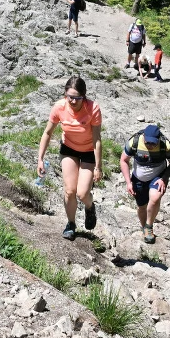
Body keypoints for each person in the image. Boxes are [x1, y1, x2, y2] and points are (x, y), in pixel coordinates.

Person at [37, 76, 103, 240]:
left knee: (82, 193)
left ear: (84, 97)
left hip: (88, 150)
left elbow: (97, 139)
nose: (73, 101)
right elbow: (47, 132)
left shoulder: (92, 108)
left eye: (77, 98)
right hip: (69, 149)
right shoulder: (59, 107)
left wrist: (98, 166)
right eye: (69, 97)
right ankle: (71, 223)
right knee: (69, 190)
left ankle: (89, 206)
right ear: (65, 95)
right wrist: (40, 158)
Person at [121, 124, 170, 244]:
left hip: (158, 177)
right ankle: (144, 229)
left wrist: (164, 178)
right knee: (141, 206)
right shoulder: (135, 142)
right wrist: (128, 182)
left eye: (154, 143)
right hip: (138, 179)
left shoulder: (165, 146)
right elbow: (123, 160)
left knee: (154, 198)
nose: (151, 146)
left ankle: (149, 226)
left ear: (158, 140)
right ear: (143, 137)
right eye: (148, 143)